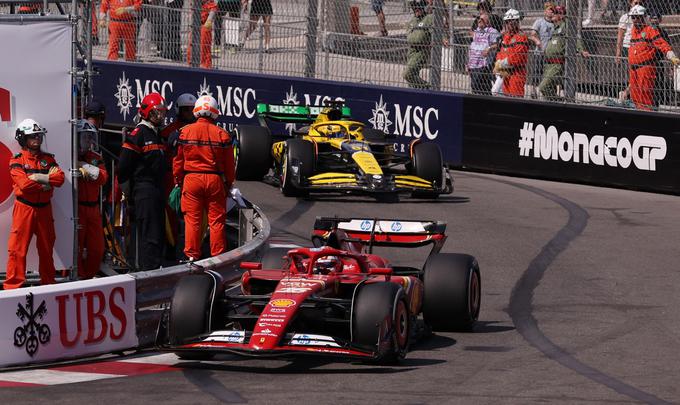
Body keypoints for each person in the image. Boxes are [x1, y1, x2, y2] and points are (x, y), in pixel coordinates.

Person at [4, 119, 65, 290]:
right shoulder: (16, 160)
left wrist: (39, 177)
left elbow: (60, 179)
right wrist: (46, 183)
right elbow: (24, 185)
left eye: (38, 136)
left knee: (46, 250)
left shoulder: (48, 159)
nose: (37, 139)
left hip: (45, 209)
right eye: (32, 136)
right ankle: (12, 289)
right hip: (24, 209)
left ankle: (48, 286)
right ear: (23, 138)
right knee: (17, 250)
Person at [173, 95, 235, 261]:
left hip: (191, 180)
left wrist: (178, 181)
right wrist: (228, 184)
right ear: (215, 113)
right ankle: (218, 257)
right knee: (216, 221)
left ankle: (191, 256)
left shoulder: (184, 132)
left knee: (192, 220)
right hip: (215, 181)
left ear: (196, 111)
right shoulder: (223, 134)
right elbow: (230, 164)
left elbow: (178, 160)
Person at [118, 92, 168, 270]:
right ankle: (148, 274)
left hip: (156, 190)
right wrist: (130, 192)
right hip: (144, 191)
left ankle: (154, 269)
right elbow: (123, 167)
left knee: (158, 234)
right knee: (149, 236)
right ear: (146, 113)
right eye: (156, 113)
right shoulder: (139, 134)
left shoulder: (157, 134)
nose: (160, 116)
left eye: (162, 112)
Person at [627, 5, 679, 110]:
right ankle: (637, 114)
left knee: (645, 93)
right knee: (635, 94)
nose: (635, 19)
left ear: (643, 17)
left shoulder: (650, 30)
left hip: (646, 68)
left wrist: (671, 56)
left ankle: (647, 115)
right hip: (633, 69)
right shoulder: (633, 31)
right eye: (633, 17)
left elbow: (662, 44)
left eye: (638, 17)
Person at [76, 120, 109, 280]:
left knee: (97, 248)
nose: (89, 141)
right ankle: (78, 277)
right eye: (85, 137)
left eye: (90, 137)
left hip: (94, 208)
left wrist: (86, 167)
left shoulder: (96, 157)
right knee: (76, 246)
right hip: (77, 208)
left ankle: (89, 277)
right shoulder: (70, 156)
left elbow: (102, 177)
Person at [538, 6, 590, 101]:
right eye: (553, 12)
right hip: (548, 64)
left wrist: (582, 50)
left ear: (561, 15)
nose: (553, 14)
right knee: (549, 91)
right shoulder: (555, 27)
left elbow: (576, 38)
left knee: (543, 87)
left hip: (557, 64)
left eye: (556, 12)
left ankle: (559, 101)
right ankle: (553, 108)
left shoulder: (566, 26)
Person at [494, 9, 529, 98]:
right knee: (505, 97)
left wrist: (501, 64)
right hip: (505, 72)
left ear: (517, 22)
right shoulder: (505, 37)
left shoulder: (521, 37)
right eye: (507, 22)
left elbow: (517, 57)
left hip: (516, 73)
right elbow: (500, 52)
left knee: (515, 98)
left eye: (511, 21)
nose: (509, 24)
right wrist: (498, 63)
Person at [403, 0, 433, 90]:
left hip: (421, 51)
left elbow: (435, 32)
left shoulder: (428, 18)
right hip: (411, 50)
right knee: (413, 75)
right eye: (414, 8)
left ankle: (427, 88)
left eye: (418, 8)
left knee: (407, 74)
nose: (416, 9)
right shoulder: (413, 20)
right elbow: (408, 32)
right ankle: (417, 93)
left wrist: (443, 39)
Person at [467, 13, 500, 95]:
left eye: (482, 20)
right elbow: (472, 46)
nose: (479, 20)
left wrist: (489, 48)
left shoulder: (492, 31)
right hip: (472, 64)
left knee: (479, 86)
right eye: (479, 19)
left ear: (488, 22)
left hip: (483, 65)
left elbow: (498, 44)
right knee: (477, 88)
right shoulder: (477, 31)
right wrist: (467, 63)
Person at [528, 3, 554, 98]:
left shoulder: (555, 23)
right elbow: (532, 34)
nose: (551, 11)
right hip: (540, 52)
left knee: (550, 74)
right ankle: (533, 91)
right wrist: (537, 41)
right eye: (549, 9)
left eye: (552, 10)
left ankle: (549, 91)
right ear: (545, 11)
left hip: (551, 54)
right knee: (536, 72)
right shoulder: (539, 21)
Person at [649, 11, 671, 109]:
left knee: (659, 82)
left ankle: (656, 103)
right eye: (653, 18)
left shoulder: (663, 32)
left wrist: (670, 65)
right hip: (648, 61)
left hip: (659, 61)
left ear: (660, 20)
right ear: (650, 20)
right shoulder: (647, 30)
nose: (654, 20)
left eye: (656, 18)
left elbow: (667, 47)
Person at [187, 0, 216, 69]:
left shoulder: (209, 2)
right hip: (196, 24)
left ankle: (205, 66)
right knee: (191, 45)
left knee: (204, 46)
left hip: (204, 24)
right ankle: (191, 64)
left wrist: (209, 20)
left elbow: (213, 8)